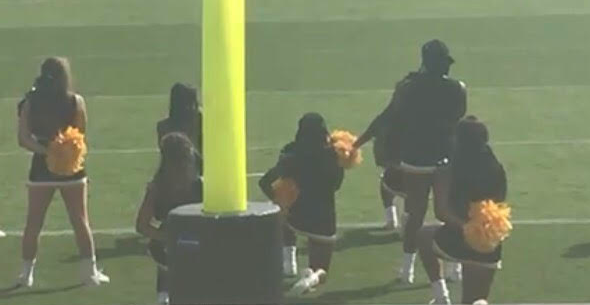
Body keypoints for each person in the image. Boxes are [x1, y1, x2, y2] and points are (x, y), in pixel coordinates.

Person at [359, 40, 466, 284]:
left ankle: (407, 269)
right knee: (447, 212)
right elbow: (456, 120)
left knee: (414, 215)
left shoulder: (407, 87)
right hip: (446, 158)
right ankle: (454, 265)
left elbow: (387, 117)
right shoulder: (458, 88)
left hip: (416, 158)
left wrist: (358, 142)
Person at [16, 57, 109, 287]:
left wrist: (46, 151)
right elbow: (81, 135)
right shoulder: (75, 101)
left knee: (33, 223)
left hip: (40, 168)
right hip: (72, 168)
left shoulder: (30, 102)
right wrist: (61, 151)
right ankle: (90, 273)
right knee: (80, 220)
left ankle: (26, 274)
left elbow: (23, 139)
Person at [417, 116, 507, 304]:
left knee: (424, 236)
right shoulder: (497, 169)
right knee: (476, 300)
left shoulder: (447, 170)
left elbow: (441, 212)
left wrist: (466, 227)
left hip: (457, 239)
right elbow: (500, 205)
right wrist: (482, 231)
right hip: (490, 246)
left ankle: (440, 295)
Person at [259, 113, 345, 295]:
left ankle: (289, 262)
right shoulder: (333, 154)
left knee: (281, 209)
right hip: (324, 219)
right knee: (322, 272)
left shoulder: (291, 152)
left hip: (296, 216)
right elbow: (337, 185)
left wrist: (281, 202)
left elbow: (265, 182)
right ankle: (310, 277)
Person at [136, 132, 203, 305]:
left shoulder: (202, 186)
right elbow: (142, 225)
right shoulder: (157, 188)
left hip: (199, 243)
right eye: (186, 160)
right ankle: (164, 295)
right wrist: (170, 238)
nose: (190, 165)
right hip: (168, 247)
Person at [157, 83, 202, 172]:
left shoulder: (200, 120)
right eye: (189, 104)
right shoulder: (164, 127)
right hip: (178, 175)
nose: (193, 108)